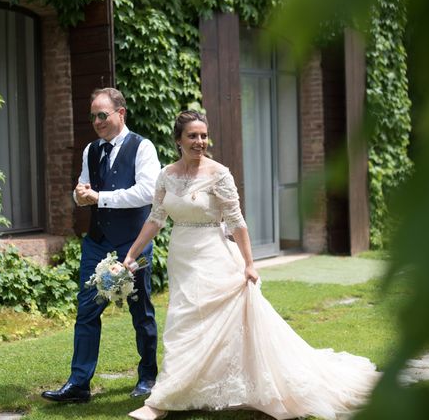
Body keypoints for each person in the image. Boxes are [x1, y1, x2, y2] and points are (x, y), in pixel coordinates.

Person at [122, 111, 380, 420]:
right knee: (184, 323)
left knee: (189, 323)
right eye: (192, 136)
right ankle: (182, 392)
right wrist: (132, 254)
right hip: (182, 257)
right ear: (178, 140)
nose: (199, 142)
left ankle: (161, 401)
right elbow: (156, 219)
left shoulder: (219, 174)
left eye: (203, 135)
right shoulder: (166, 175)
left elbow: (237, 222)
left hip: (214, 256)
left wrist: (249, 264)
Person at [41, 87, 161, 404]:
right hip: (97, 243)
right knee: (87, 312)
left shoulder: (143, 147)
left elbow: (147, 192)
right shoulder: (91, 150)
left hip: (132, 245)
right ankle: (79, 384)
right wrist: (78, 196)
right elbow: (84, 189)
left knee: (141, 310)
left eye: (102, 115)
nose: (96, 121)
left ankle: (148, 375)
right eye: (93, 115)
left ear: (120, 114)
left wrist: (99, 198)